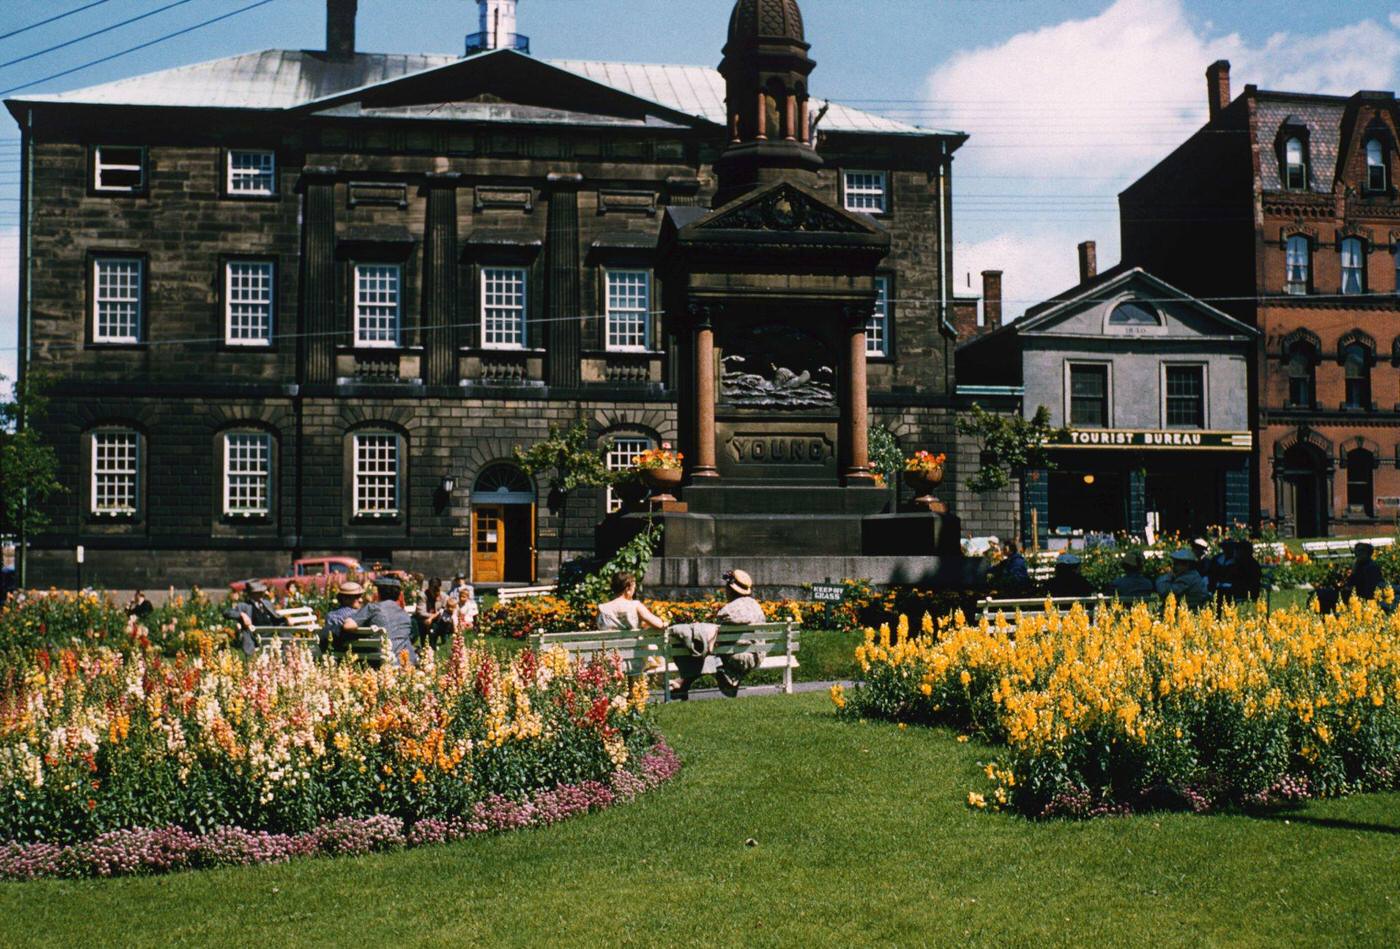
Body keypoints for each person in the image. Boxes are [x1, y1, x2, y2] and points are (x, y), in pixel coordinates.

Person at [669, 568, 766, 700]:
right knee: (706, 649)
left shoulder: (727, 611)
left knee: (699, 650)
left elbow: (718, 641)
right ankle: (683, 685)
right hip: (756, 656)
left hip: (735, 658)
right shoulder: (757, 608)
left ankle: (683, 684)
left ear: (730, 589)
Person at [340, 576, 417, 666]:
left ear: (379, 592)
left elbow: (348, 626)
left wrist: (348, 618)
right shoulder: (405, 614)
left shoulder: (373, 608)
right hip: (405, 662)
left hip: (380, 661)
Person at [224, 581, 286, 655]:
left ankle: (289, 651)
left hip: (271, 633)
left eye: (261, 592)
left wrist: (285, 620)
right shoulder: (244, 605)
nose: (261, 595)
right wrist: (242, 615)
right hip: (255, 636)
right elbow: (226, 612)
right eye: (258, 593)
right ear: (251, 594)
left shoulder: (266, 603)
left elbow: (275, 618)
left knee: (285, 628)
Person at [596, 572, 666, 630]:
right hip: (632, 646)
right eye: (634, 588)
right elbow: (659, 625)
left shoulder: (601, 608)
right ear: (628, 589)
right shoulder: (635, 605)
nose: (634, 592)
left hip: (608, 647)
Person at [321, 581, 364, 654]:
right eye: (357, 597)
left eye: (361, 596)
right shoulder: (360, 615)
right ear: (345, 599)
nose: (361, 600)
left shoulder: (330, 616)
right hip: (357, 653)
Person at [414, 577, 447, 647]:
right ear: (429, 588)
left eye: (437, 589)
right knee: (423, 624)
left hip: (439, 619)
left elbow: (445, 609)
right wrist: (433, 616)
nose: (435, 592)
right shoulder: (422, 595)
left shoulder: (444, 596)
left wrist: (433, 617)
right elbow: (421, 612)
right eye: (433, 590)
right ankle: (425, 645)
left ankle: (443, 643)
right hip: (424, 619)